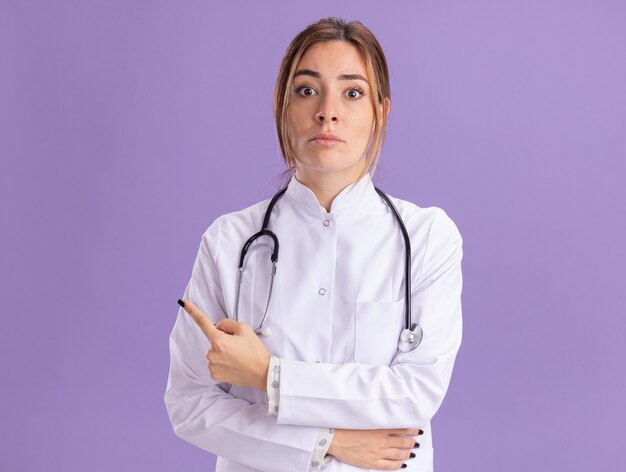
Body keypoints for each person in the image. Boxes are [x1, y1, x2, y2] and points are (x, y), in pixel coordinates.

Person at [164, 17, 463, 472]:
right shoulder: (229, 241)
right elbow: (190, 404)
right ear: (283, 108)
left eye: (352, 92)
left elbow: (417, 392)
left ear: (380, 112)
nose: (328, 111)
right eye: (307, 90)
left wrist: (270, 377)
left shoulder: (427, 238)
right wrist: (326, 442)